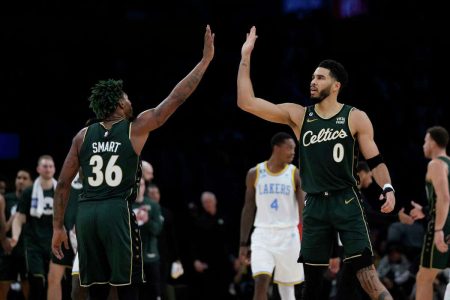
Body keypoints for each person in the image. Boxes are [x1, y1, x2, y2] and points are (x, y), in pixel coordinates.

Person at [50, 25, 214, 300]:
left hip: (86, 214)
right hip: (116, 211)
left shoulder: (82, 136)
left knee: (96, 290)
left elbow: (64, 184)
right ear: (116, 104)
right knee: (128, 288)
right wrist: (205, 61)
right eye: (125, 98)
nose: (130, 100)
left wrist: (57, 228)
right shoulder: (133, 128)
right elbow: (175, 99)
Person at [237, 26, 396, 300]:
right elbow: (247, 102)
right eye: (312, 77)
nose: (313, 81)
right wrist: (245, 57)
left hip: (346, 200)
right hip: (315, 205)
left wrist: (388, 188)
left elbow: (376, 159)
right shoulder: (299, 116)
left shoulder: (355, 117)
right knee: (312, 285)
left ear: (336, 86)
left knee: (368, 276)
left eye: (320, 78)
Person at [239, 132, 304, 300]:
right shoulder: (255, 173)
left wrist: (309, 238)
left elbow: (303, 210)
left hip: (288, 235)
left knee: (287, 290)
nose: (293, 152)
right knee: (261, 280)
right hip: (262, 234)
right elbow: (248, 208)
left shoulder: (295, 174)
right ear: (277, 148)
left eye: (294, 149)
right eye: (289, 148)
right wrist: (243, 243)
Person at [407, 126, 450, 300]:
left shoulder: (435, 164)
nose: (423, 145)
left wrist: (439, 229)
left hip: (442, 226)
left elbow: (445, 198)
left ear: (432, 142)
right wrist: (425, 210)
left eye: (425, 141)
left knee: (424, 278)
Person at [0, 169, 33, 299]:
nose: (20, 181)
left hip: (27, 247)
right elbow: (1, 225)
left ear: (31, 182)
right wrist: (3, 240)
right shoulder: (6, 199)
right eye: (18, 178)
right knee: (3, 284)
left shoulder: (35, 200)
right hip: (9, 248)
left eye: (25, 178)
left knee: (28, 283)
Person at [133, 177, 163, 300]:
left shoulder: (153, 205)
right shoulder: (126, 205)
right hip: (132, 259)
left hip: (150, 257)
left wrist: (147, 221)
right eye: (137, 184)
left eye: (142, 184)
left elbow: (158, 230)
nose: (140, 187)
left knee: (154, 292)